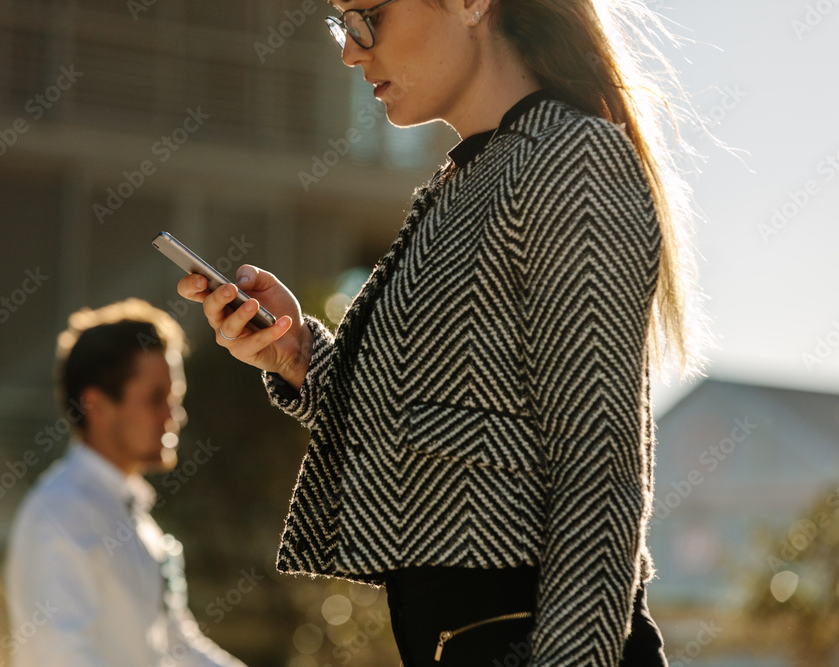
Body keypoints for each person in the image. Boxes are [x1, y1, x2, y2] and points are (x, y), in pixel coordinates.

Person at [178, 0, 708, 665]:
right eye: (341, 23)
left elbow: (597, 469)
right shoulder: (464, 181)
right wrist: (297, 354)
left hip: (538, 639)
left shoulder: (569, 156)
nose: (351, 49)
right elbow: (428, 416)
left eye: (368, 15)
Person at [5, 299, 247, 667]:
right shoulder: (59, 512)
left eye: (175, 398)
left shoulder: (135, 517)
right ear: (96, 406)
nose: (174, 416)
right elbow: (61, 658)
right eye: (156, 399)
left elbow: (178, 646)